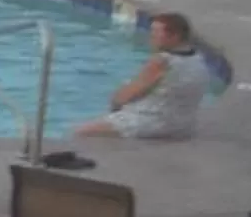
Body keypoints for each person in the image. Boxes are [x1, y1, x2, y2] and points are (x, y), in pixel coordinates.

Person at [77, 11, 223, 141]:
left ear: (174, 36)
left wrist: (115, 106)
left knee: (82, 132)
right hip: (185, 124)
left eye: (156, 33)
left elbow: (126, 96)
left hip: (154, 123)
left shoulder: (162, 61)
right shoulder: (198, 58)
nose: (151, 37)